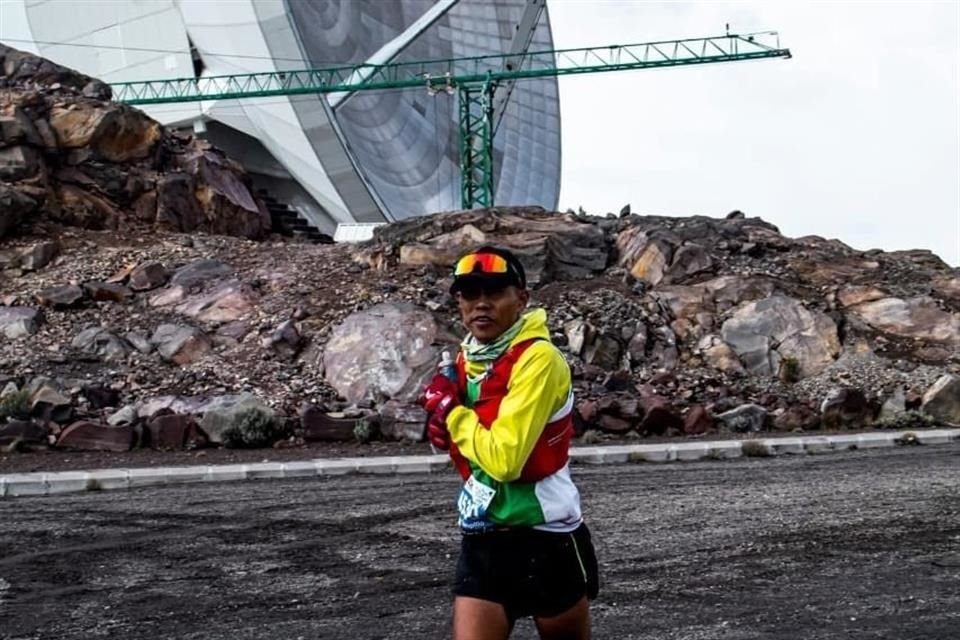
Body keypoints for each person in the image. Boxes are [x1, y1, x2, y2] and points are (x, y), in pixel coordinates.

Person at [418, 246, 599, 640]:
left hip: (546, 534)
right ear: (458, 302)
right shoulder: (465, 362)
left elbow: (504, 461)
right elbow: (472, 447)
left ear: (522, 299)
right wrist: (444, 434)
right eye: (469, 293)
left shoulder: (540, 360)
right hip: (484, 533)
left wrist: (451, 413)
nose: (481, 303)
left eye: (495, 292)